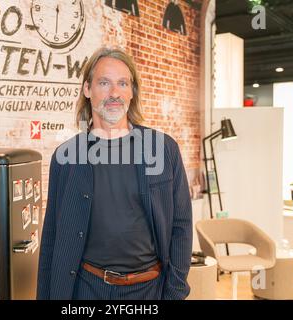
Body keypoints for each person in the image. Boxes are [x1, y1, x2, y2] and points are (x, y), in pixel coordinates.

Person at [37, 47, 193, 300]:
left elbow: (181, 226)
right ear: (87, 89)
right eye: (104, 83)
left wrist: (174, 292)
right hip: (86, 289)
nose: (114, 93)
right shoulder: (66, 158)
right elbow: (52, 236)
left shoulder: (163, 149)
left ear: (132, 92)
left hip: (149, 290)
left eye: (123, 83)